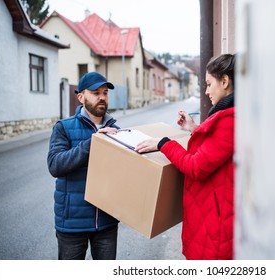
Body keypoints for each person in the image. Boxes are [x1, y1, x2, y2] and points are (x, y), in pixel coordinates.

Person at [136, 54, 236, 260]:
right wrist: (193, 128)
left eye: (209, 84)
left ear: (225, 81)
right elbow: (216, 148)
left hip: (214, 224)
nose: (207, 91)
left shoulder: (231, 119)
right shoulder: (230, 116)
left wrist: (163, 144)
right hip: (212, 215)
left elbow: (196, 167)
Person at [47, 72, 120, 260]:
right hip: (72, 224)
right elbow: (55, 165)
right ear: (81, 97)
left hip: (106, 222)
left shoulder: (116, 131)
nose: (102, 97)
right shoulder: (63, 127)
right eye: (95, 93)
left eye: (105, 93)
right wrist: (91, 143)